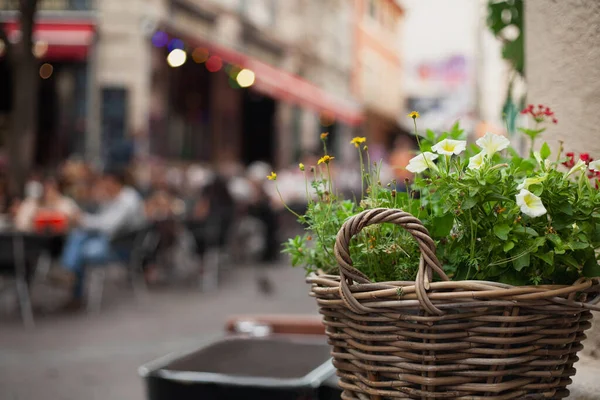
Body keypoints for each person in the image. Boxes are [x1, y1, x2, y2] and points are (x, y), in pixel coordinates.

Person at [53, 166, 146, 310]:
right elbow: (101, 220)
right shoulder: (113, 197)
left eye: (104, 182)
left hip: (120, 247)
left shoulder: (127, 200)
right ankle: (69, 272)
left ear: (113, 182)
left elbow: (108, 226)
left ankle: (73, 285)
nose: (102, 185)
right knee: (78, 235)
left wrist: (83, 220)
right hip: (109, 240)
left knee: (82, 250)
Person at [14, 174, 79, 233]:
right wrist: (32, 221)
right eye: (46, 188)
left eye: (52, 188)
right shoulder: (30, 204)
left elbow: (79, 220)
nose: (49, 192)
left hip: (62, 241)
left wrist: (70, 220)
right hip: (34, 240)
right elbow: (20, 223)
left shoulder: (67, 203)